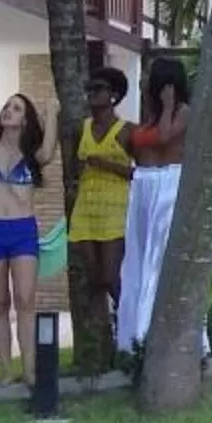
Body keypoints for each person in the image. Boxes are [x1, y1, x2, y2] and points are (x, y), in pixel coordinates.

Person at [115, 54, 201, 359]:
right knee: (137, 259)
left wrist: (167, 105)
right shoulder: (149, 115)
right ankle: (133, 336)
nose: (144, 79)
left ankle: (159, 333)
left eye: (150, 75)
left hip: (169, 183)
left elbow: (165, 138)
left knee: (159, 258)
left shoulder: (183, 112)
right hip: (144, 184)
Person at [0, 92, 46, 387]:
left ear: (25, 120)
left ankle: (30, 370)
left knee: (26, 300)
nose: (7, 112)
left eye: (15, 109)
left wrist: (50, 115)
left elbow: (49, 151)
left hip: (23, 230)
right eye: (6, 107)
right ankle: (5, 370)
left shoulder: (32, 155)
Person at [73, 67, 135, 354]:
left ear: (113, 95)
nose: (92, 94)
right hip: (87, 208)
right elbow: (75, 165)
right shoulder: (83, 128)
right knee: (94, 278)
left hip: (114, 209)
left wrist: (105, 164)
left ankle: (131, 332)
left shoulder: (126, 131)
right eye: (90, 89)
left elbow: (139, 172)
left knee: (111, 277)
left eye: (98, 89)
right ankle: (102, 345)